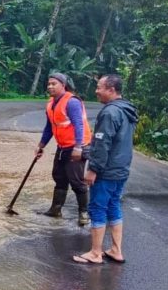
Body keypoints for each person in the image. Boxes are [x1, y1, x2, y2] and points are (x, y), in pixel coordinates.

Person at [73, 75, 138, 264]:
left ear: (111, 90)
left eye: (99, 87)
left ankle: (95, 253)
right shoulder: (128, 110)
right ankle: (116, 250)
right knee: (113, 205)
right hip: (121, 169)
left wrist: (93, 168)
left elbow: (102, 143)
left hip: (106, 171)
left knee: (97, 208)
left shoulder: (109, 113)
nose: (96, 90)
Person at [35, 72, 92, 226]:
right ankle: (56, 209)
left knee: (76, 180)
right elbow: (49, 127)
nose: (50, 86)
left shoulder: (71, 102)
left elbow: (79, 125)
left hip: (76, 147)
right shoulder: (51, 103)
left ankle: (83, 213)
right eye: (49, 84)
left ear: (63, 85)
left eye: (54, 84)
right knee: (59, 177)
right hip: (62, 146)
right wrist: (41, 145)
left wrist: (78, 147)